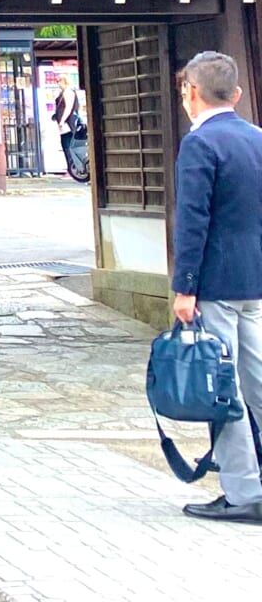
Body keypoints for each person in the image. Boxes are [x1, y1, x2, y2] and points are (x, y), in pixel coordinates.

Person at [169, 50, 262, 525]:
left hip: (216, 282)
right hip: (255, 279)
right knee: (258, 383)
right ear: (236, 94)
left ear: (190, 92)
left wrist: (185, 287)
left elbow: (193, 220)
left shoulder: (200, 144)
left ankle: (244, 490)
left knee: (222, 387)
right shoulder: (257, 138)